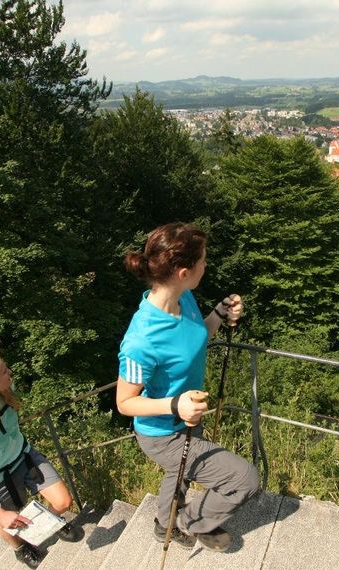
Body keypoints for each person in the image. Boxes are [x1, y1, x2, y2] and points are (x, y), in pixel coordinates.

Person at [116, 222, 260, 552]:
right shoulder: (141, 340)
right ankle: (186, 524)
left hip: (188, 416)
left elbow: (198, 336)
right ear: (183, 272)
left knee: (178, 474)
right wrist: (174, 405)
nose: (206, 266)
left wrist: (221, 313)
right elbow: (125, 402)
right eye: (203, 260)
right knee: (243, 479)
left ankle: (163, 522)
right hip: (161, 432)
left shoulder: (185, 299)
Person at [0, 352, 84, 569]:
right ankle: (20, 549)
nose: (9, 372)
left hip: (24, 456)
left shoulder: (5, 392)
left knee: (63, 502)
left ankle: (49, 524)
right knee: (9, 521)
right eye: (3, 371)